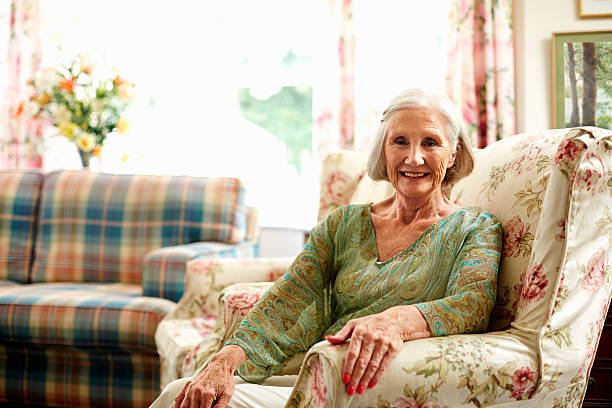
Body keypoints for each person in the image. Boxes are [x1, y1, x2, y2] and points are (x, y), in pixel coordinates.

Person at [151, 88, 502, 408]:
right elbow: (289, 299)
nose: (414, 157)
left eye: (430, 142)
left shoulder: (476, 228)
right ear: (384, 149)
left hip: (384, 387)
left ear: (454, 152)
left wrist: (395, 322)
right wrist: (222, 362)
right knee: (179, 394)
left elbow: (471, 305)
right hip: (323, 376)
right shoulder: (344, 223)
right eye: (400, 141)